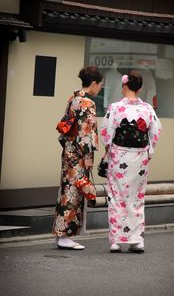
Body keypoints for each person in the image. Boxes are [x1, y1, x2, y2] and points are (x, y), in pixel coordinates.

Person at [100, 71, 161, 253]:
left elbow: (106, 133)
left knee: (117, 197)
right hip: (140, 158)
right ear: (140, 89)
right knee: (136, 198)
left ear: (124, 86)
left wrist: (110, 148)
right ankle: (137, 241)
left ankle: (116, 241)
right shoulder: (148, 109)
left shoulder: (116, 108)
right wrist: (148, 151)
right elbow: (155, 132)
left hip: (119, 156)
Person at [52, 66, 103, 250]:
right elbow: (86, 134)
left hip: (68, 152)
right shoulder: (88, 103)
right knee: (74, 194)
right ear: (94, 83)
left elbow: (66, 126)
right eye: (100, 85)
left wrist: (69, 149)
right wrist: (88, 158)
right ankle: (66, 236)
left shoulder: (73, 99)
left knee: (66, 193)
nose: (100, 89)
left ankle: (61, 234)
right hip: (79, 155)